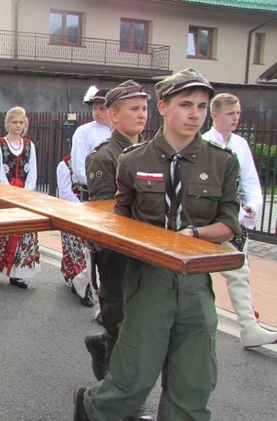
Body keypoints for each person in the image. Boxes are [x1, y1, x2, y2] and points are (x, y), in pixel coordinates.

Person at [74, 68, 241, 421]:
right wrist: (97, 240)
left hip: (195, 283)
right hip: (148, 280)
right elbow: (117, 220)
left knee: (193, 388)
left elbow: (229, 224)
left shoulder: (222, 162)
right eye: (185, 104)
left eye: (201, 106)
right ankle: (90, 408)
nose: (195, 114)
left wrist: (195, 235)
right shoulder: (132, 160)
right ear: (164, 107)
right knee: (131, 381)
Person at [82, 80, 154, 421]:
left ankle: (106, 348)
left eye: (144, 108)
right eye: (133, 109)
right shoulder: (105, 156)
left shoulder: (154, 152)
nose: (141, 114)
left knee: (140, 325)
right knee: (121, 323)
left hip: (150, 253)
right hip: (117, 254)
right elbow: (102, 210)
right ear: (113, 115)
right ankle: (120, 400)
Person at [202, 93, 277, 348]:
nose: (236, 117)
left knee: (239, 273)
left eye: (238, 112)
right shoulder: (203, 144)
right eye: (231, 113)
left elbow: (251, 183)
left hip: (236, 220)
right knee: (226, 272)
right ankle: (245, 327)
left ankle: (249, 328)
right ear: (215, 115)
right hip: (210, 221)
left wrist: (252, 207)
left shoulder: (241, 145)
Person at [0, 106, 40, 289]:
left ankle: (18, 272)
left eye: (21, 122)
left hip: (24, 196)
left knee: (24, 233)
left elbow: (33, 171)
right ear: (7, 123)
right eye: (14, 122)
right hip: (6, 194)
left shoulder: (29, 145)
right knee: (3, 232)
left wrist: (26, 192)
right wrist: (9, 193)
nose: (18, 125)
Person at [55, 154, 93, 307]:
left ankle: (83, 283)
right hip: (72, 213)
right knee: (75, 249)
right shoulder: (65, 165)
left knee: (89, 251)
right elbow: (65, 192)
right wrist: (82, 210)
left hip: (94, 215)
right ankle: (78, 282)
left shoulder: (97, 160)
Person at [71, 86, 112, 198]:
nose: (97, 113)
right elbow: (79, 167)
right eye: (95, 108)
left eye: (102, 108)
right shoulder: (83, 132)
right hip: (93, 191)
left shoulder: (120, 131)